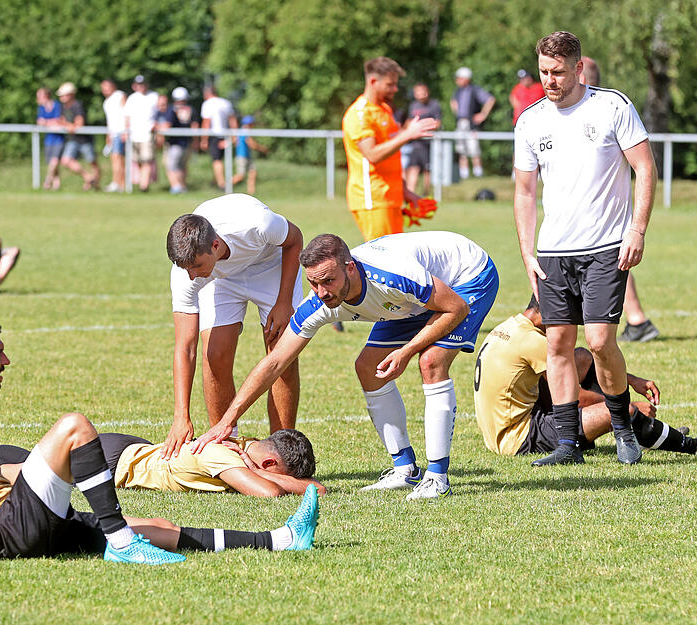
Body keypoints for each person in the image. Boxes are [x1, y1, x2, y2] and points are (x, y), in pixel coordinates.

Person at [0, 313, 319, 569]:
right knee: (73, 426)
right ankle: (119, 540)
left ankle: (279, 540)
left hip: (19, 522)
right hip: (5, 533)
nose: (5, 362)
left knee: (155, 524)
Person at [193, 232, 499, 501]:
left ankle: (437, 478)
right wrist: (227, 421)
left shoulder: (390, 276)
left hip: (467, 276)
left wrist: (406, 352)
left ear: (349, 268)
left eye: (329, 281)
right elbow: (275, 362)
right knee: (368, 367)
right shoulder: (319, 304)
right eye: (313, 283)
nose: (322, 292)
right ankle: (405, 469)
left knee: (430, 361)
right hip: (412, 298)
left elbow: (455, 307)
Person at [513, 31, 658, 466]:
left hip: (606, 247)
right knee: (557, 344)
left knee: (598, 341)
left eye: (558, 72)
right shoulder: (531, 120)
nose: (550, 81)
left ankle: (621, 426)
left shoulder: (613, 106)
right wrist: (527, 253)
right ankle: (566, 444)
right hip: (554, 253)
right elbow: (523, 192)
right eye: (543, 72)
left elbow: (645, 169)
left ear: (578, 69)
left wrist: (637, 229)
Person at [473, 297, 697, 458]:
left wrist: (631, 380)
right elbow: (572, 399)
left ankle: (640, 429)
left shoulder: (513, 327)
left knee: (580, 356)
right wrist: (622, 406)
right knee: (621, 410)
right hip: (519, 438)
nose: (573, 323)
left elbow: (569, 369)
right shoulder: (532, 342)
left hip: (512, 422)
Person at [163, 194, 303, 460]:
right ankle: (228, 447)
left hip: (270, 264)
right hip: (221, 276)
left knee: (281, 354)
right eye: (186, 269)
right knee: (214, 354)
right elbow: (186, 347)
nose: (191, 276)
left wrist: (284, 301)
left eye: (195, 266)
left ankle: (282, 452)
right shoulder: (187, 272)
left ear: (215, 245)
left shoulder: (258, 224)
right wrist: (181, 415)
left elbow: (295, 239)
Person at [0, 429, 324, 497]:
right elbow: (264, 492)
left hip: (128, 450)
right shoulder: (225, 453)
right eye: (283, 472)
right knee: (23, 479)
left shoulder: (237, 444)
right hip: (115, 459)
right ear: (267, 461)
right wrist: (307, 488)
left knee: (31, 462)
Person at [578, 57, 660, 344]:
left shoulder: (610, 111)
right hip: (589, 218)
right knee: (615, 264)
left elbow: (644, 166)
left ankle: (637, 320)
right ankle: (637, 320)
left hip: (603, 215)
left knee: (611, 264)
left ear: (580, 76)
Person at [342, 57, 439, 242]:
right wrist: (408, 134)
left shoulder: (384, 109)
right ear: (373, 81)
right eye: (390, 84)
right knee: (385, 263)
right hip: (373, 199)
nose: (395, 89)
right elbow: (372, 154)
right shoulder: (360, 114)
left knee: (396, 261)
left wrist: (406, 193)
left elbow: (390, 156)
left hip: (390, 198)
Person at [450, 67, 495, 179]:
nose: (457, 80)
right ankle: (463, 173)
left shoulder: (475, 89)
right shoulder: (458, 91)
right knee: (461, 149)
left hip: (471, 124)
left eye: (459, 78)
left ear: (466, 78)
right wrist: (457, 112)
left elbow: (490, 100)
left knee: (473, 148)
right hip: (460, 122)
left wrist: (482, 115)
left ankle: (477, 172)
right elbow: (453, 102)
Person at [56, 82, 100, 191]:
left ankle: (96, 185)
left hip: (85, 139)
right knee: (66, 160)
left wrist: (67, 125)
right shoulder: (63, 107)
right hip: (73, 139)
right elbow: (64, 123)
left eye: (63, 95)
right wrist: (68, 125)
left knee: (92, 162)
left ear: (70, 94)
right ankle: (88, 177)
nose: (61, 97)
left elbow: (78, 124)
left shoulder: (77, 105)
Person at [404, 82, 443, 195]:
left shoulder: (434, 104)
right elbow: (409, 121)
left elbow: (438, 123)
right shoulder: (413, 105)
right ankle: (410, 194)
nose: (421, 94)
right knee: (413, 168)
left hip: (428, 143)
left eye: (423, 91)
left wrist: (423, 129)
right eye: (418, 92)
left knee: (427, 170)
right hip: (416, 144)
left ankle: (426, 194)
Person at [159, 86, 198, 194]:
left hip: (174, 143)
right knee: (182, 166)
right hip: (187, 143)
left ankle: (176, 186)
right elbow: (195, 126)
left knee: (171, 165)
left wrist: (157, 127)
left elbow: (168, 125)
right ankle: (182, 186)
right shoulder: (191, 109)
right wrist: (196, 141)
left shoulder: (172, 109)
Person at [123, 75, 159, 192]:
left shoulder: (154, 96)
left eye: (143, 84)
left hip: (147, 134)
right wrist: (126, 131)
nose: (141, 87)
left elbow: (160, 112)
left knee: (146, 160)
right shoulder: (132, 98)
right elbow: (127, 117)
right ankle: (142, 184)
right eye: (139, 84)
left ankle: (144, 187)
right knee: (137, 160)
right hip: (134, 135)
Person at [200, 85, 238, 188]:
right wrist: (234, 135)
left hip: (214, 135)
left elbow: (206, 123)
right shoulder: (226, 103)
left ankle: (222, 184)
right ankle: (218, 181)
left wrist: (204, 139)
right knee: (223, 160)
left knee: (216, 160)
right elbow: (232, 120)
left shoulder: (207, 104)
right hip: (226, 135)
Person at [100, 79, 127, 192]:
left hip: (121, 132)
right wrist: (108, 136)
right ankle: (118, 183)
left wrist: (126, 130)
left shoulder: (119, 95)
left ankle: (120, 184)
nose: (105, 90)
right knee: (115, 159)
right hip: (113, 134)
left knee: (118, 159)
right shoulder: (106, 102)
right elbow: (109, 121)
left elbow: (126, 113)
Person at [35, 87, 65, 190]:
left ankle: (48, 181)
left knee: (54, 161)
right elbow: (39, 122)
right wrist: (50, 123)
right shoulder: (41, 108)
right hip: (49, 139)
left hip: (58, 139)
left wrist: (46, 123)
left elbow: (58, 121)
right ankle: (57, 185)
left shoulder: (57, 105)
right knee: (52, 163)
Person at [232, 115, 269, 195]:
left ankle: (251, 193)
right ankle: (225, 186)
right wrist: (263, 149)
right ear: (249, 124)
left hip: (247, 156)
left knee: (253, 173)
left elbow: (235, 141)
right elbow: (252, 144)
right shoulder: (244, 131)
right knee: (240, 176)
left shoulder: (242, 131)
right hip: (242, 157)